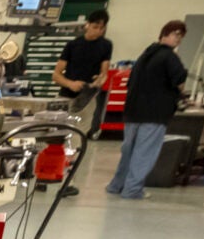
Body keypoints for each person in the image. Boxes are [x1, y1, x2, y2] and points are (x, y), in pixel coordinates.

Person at [106, 21, 188, 200]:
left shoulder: (147, 52)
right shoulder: (170, 57)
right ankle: (133, 190)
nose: (178, 39)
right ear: (164, 34)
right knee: (144, 153)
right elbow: (179, 81)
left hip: (133, 111)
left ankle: (117, 185)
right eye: (176, 34)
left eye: (181, 36)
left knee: (129, 151)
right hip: (154, 113)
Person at [50, 11, 112, 194]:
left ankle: (68, 182)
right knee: (55, 138)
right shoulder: (73, 45)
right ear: (87, 25)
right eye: (95, 27)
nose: (98, 31)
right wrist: (71, 83)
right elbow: (56, 75)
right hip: (66, 96)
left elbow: (104, 72)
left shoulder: (105, 46)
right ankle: (45, 176)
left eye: (102, 28)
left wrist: (99, 80)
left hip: (86, 99)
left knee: (76, 139)